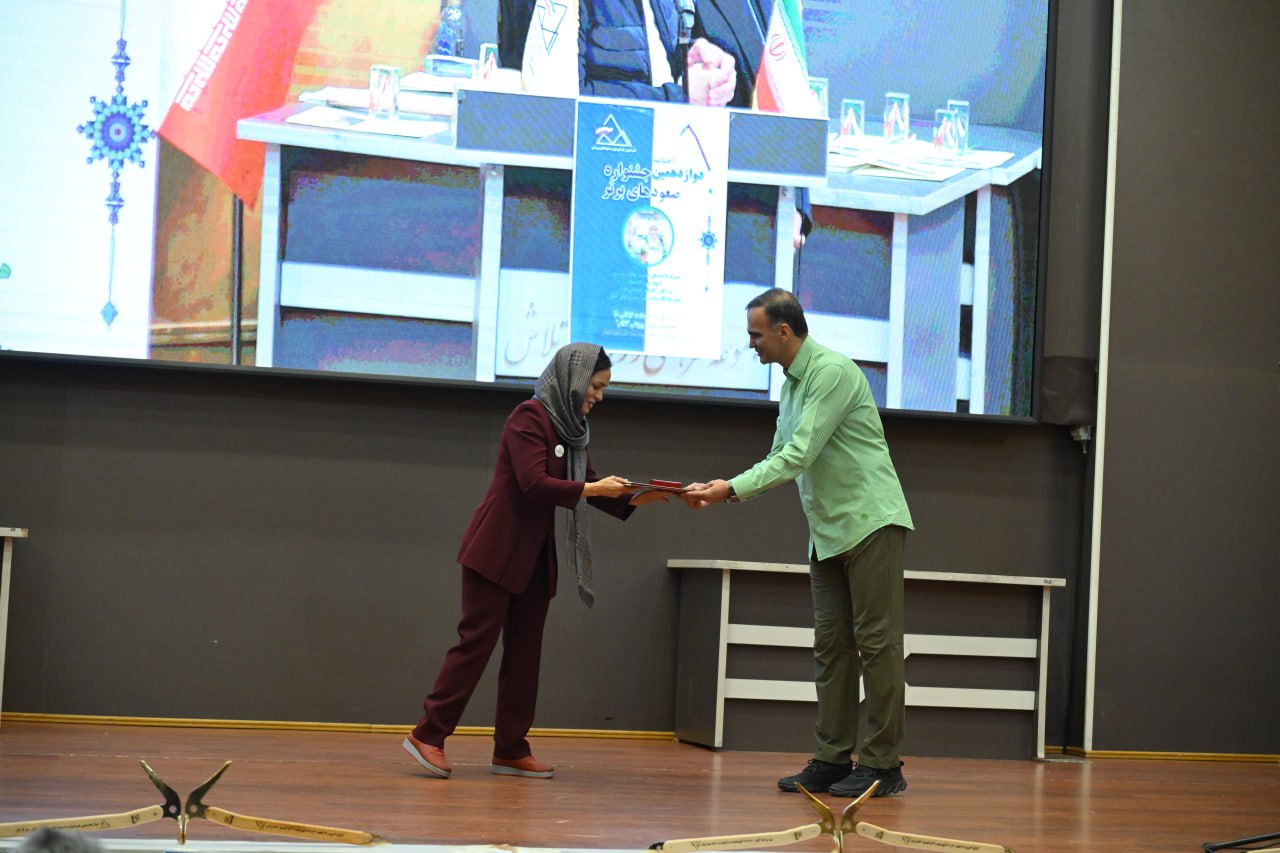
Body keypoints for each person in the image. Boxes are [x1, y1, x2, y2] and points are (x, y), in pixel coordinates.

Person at [682, 288, 913, 798]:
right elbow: (777, 456)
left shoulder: (830, 372)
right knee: (831, 647)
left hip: (870, 522)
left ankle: (883, 764)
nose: (751, 344)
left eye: (756, 335)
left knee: (878, 645)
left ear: (783, 331)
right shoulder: (790, 385)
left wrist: (728, 490)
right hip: (827, 533)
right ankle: (833, 758)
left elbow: (799, 455)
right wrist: (724, 487)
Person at [402, 342, 668, 780]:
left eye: (603, 388)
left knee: (525, 656)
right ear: (574, 380)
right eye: (596, 386)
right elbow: (533, 484)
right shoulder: (528, 417)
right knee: (475, 645)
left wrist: (641, 497)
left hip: (535, 558)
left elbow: (589, 483)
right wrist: (594, 489)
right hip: (496, 550)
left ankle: (510, 748)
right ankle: (427, 734)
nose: (599, 396)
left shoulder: (572, 428)